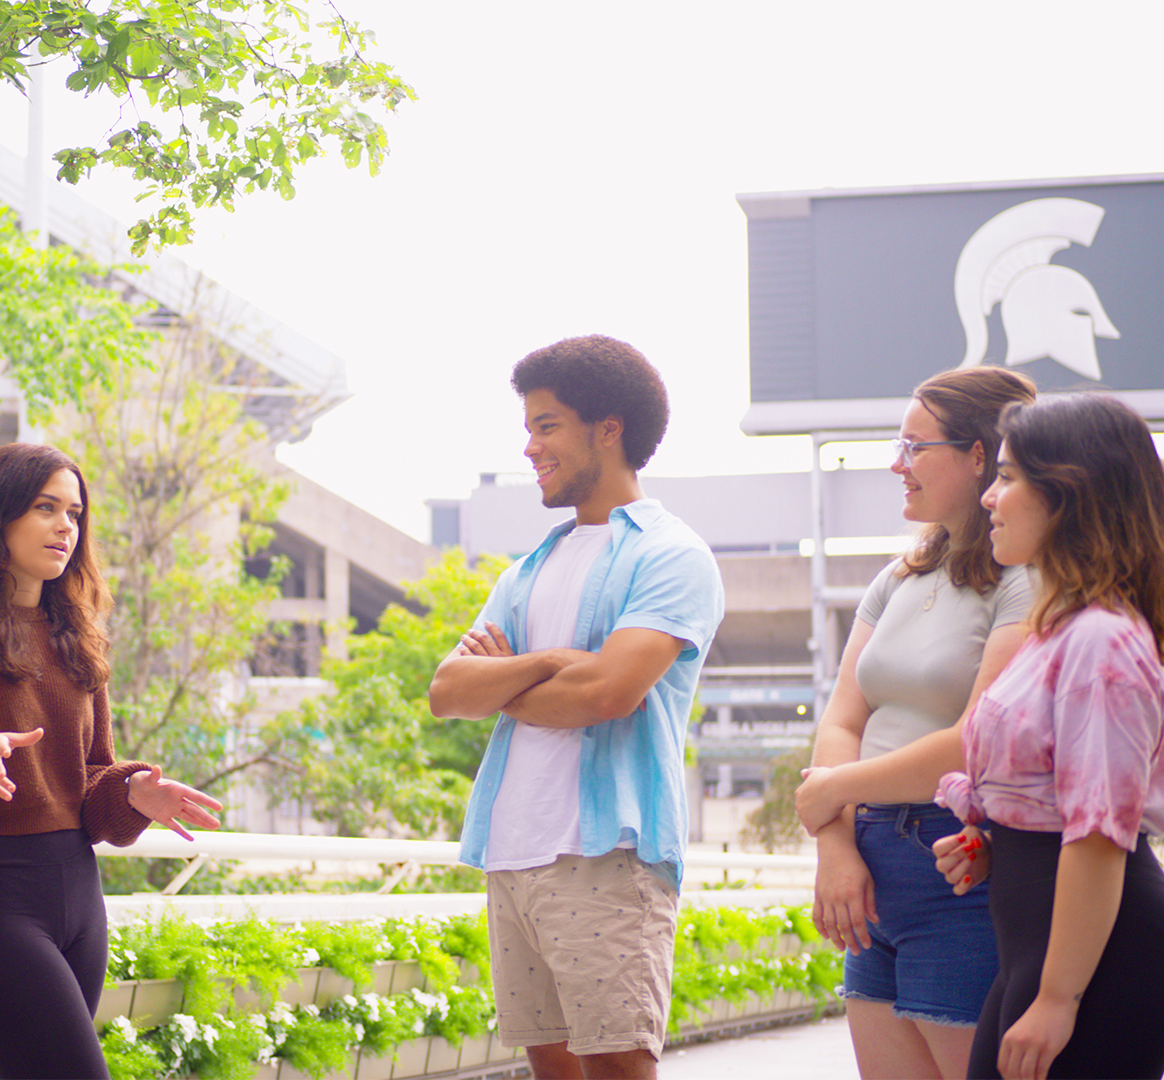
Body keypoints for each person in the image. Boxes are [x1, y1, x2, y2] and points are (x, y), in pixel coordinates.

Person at [0, 442, 223, 1080]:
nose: (66, 527)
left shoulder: (78, 636)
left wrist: (132, 793)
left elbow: (88, 781)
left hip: (80, 900)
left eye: (75, 514)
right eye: (45, 508)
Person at [427, 335, 722, 1080]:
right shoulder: (531, 567)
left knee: (618, 1068)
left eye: (547, 425)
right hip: (511, 852)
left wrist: (508, 682)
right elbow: (448, 692)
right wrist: (552, 661)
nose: (530, 447)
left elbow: (607, 693)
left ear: (607, 429)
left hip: (606, 855)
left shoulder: (671, 554)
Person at [929, 394, 1164, 1079]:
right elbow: (1053, 803)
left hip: (1107, 963)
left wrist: (1058, 999)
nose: (989, 497)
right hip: (1051, 952)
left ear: (1068, 495)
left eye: (1007, 477)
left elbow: (1099, 834)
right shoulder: (1063, 630)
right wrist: (998, 843)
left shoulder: (1101, 641)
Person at [790, 367, 1036, 1079]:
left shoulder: (1025, 579)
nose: (897, 464)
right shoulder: (897, 578)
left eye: (914, 447)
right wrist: (836, 845)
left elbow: (974, 742)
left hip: (958, 863)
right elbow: (842, 720)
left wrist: (833, 791)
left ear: (979, 455)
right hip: (868, 862)